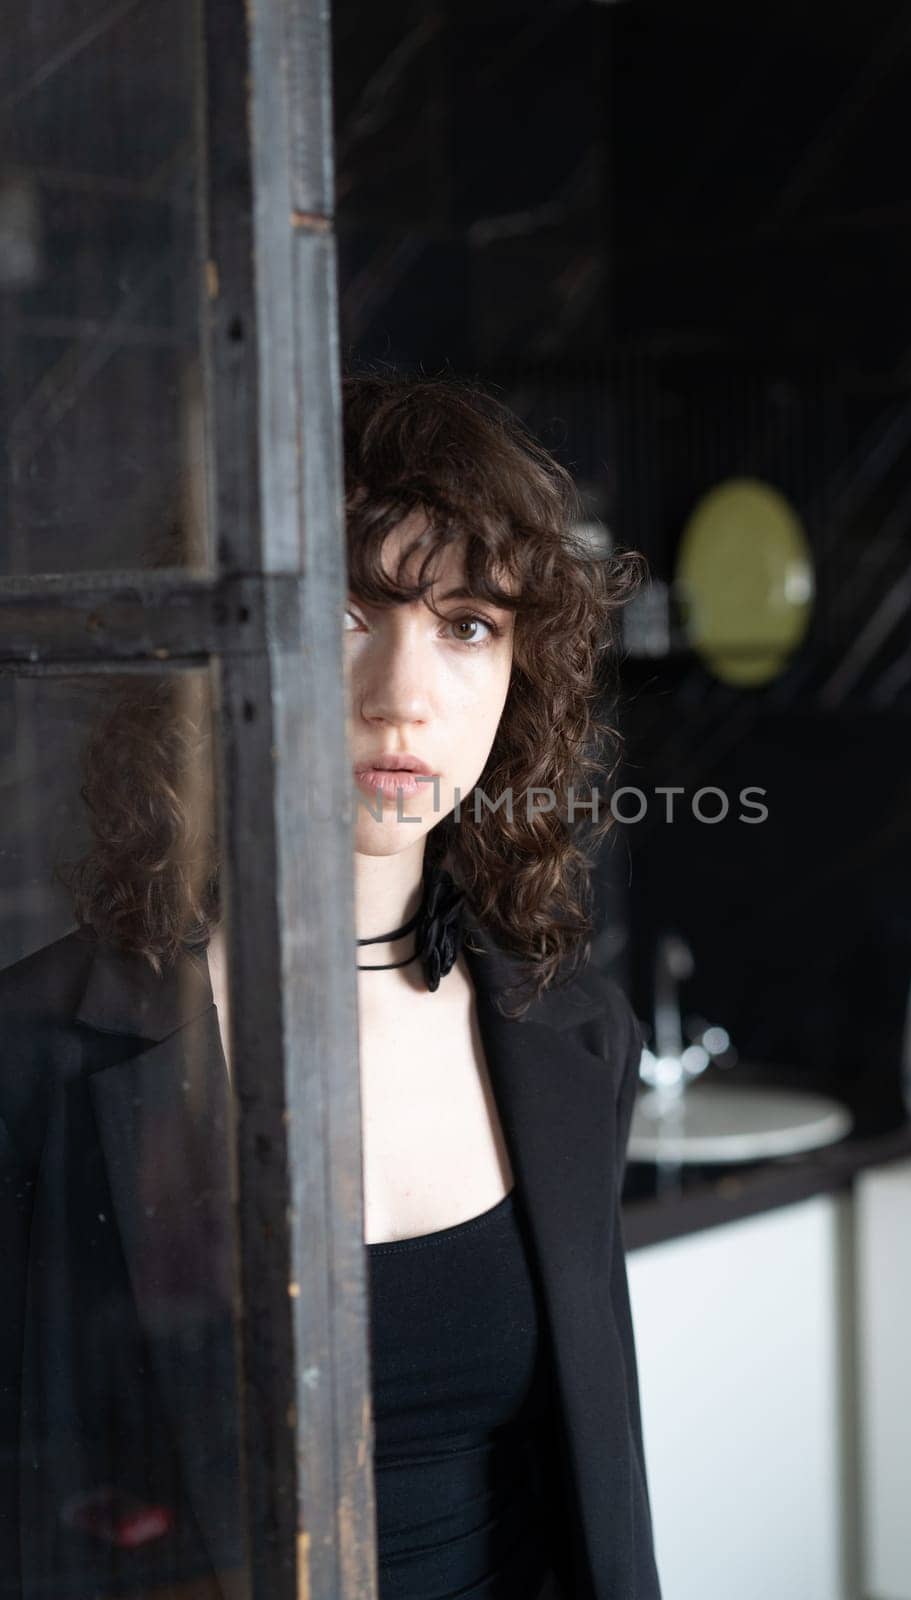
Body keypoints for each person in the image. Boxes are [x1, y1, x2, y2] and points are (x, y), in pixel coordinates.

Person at [0, 369, 661, 1600]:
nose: (403, 697)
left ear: (520, 673)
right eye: (347, 616)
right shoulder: (36, 1046)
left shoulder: (574, 1035)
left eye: (467, 624)